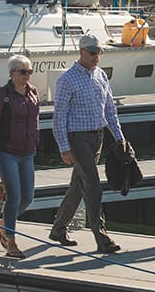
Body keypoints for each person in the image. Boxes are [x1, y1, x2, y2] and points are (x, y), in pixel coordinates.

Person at [49, 34, 124, 253]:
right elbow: (59, 116)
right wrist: (63, 146)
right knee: (93, 186)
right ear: (81, 52)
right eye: (92, 53)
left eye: (99, 52)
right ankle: (101, 238)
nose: (96, 57)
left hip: (97, 137)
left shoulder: (101, 75)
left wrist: (119, 137)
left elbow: (110, 108)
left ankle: (58, 228)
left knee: (78, 186)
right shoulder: (67, 79)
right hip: (77, 138)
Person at [0, 54, 39, 260]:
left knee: (28, 198)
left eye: (30, 72)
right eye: (23, 72)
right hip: (6, 151)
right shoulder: (1, 95)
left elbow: (35, 121)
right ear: (12, 73)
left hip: (27, 152)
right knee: (14, 196)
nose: (27, 76)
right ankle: (11, 243)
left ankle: (3, 225)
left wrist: (35, 142)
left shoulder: (33, 93)